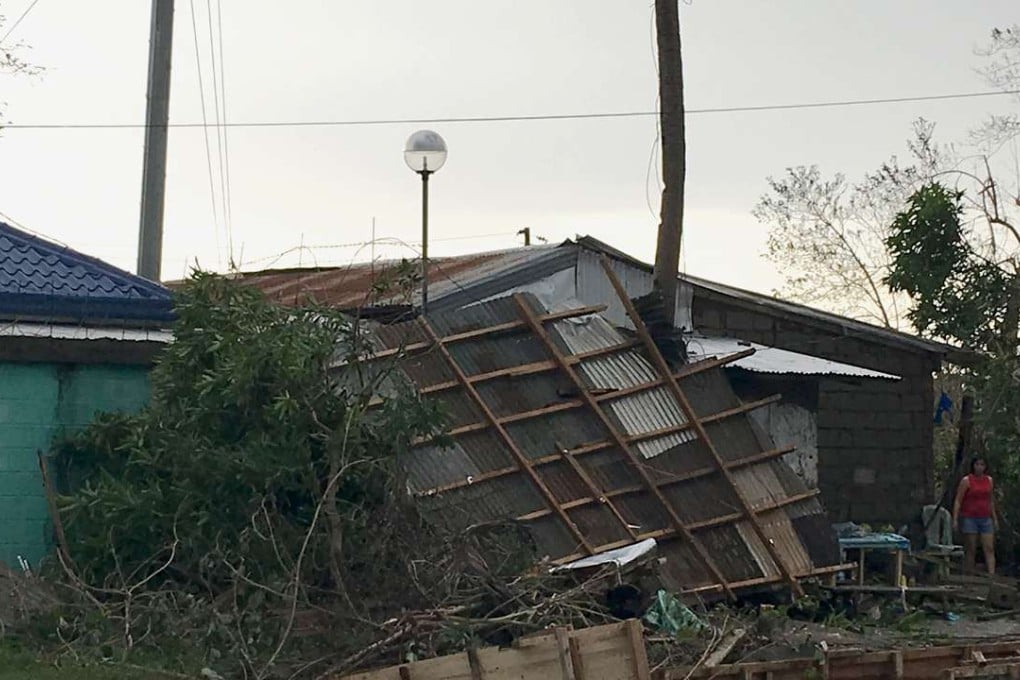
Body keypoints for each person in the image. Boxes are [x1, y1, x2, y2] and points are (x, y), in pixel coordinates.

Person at [952, 456, 998, 574]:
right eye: (977, 464)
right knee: (971, 548)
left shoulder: (989, 480)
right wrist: (955, 519)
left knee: (989, 547)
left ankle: (991, 575)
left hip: (985, 517)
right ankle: (969, 574)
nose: (979, 467)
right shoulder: (967, 480)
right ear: (973, 466)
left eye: (982, 465)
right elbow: (958, 500)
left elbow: (991, 500)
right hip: (970, 517)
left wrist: (994, 518)